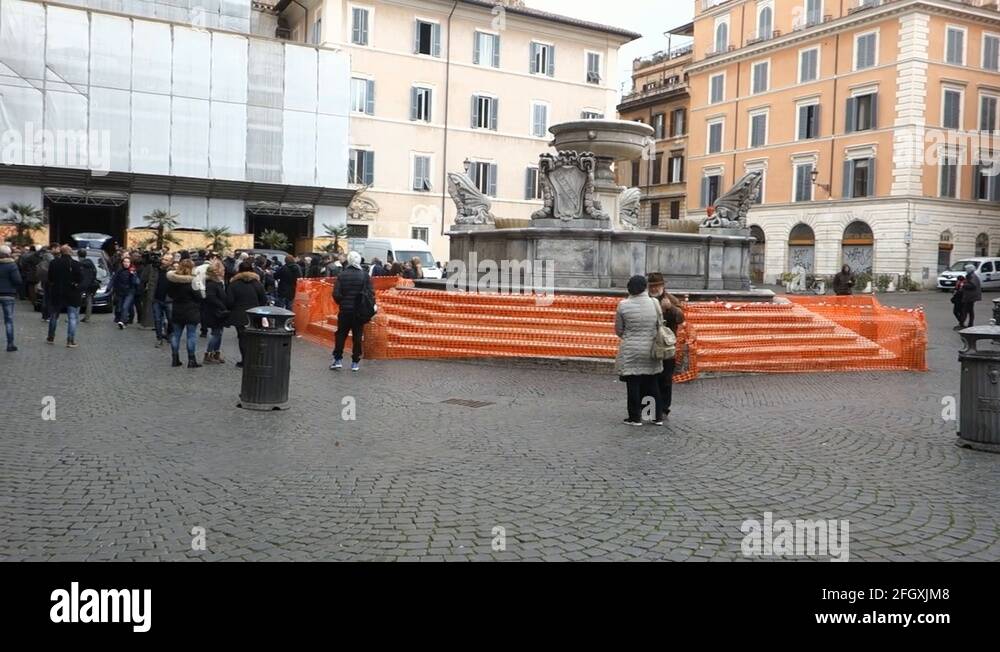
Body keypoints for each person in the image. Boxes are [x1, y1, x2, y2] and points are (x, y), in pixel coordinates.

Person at [615, 275, 663, 427]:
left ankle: (635, 417)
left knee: (633, 384)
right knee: (652, 383)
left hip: (631, 349)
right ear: (645, 287)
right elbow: (659, 324)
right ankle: (656, 417)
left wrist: (629, 336)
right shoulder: (655, 303)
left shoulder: (623, 305)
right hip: (651, 348)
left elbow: (619, 330)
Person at [647, 273, 685, 418]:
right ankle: (649, 408)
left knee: (665, 379)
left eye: (657, 285)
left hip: (666, 347)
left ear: (663, 286)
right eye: (652, 286)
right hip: (649, 345)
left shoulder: (671, 299)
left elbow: (681, 318)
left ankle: (663, 408)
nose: (655, 288)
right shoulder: (645, 300)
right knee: (648, 379)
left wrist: (671, 309)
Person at [330, 251, 373, 372]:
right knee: (357, 336)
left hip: (345, 310)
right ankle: (355, 362)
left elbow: (336, 294)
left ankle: (337, 359)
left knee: (341, 335)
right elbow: (370, 293)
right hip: (359, 311)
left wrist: (342, 303)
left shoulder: (342, 275)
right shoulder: (364, 275)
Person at [226, 261, 268, 368]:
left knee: (242, 338)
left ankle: (245, 360)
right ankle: (255, 358)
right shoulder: (257, 284)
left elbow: (229, 301)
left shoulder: (234, 284)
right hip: (255, 314)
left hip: (239, 315)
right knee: (254, 337)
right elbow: (264, 300)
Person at [166, 259, 203, 368]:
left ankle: (175, 359)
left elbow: (170, 294)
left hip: (177, 309)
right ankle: (191, 360)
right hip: (191, 310)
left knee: (176, 335)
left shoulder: (173, 281)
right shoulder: (193, 281)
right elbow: (199, 297)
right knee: (191, 335)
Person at [46, 245, 83, 348]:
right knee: (72, 317)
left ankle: (51, 337)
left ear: (60, 252)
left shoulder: (53, 263)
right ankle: (70, 340)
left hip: (57, 292)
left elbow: (50, 278)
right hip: (72, 293)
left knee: (54, 315)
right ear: (70, 252)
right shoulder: (76, 264)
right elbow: (80, 279)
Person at [201, 260, 229, 364]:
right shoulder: (212, 284)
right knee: (216, 333)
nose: (224, 271)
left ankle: (215, 353)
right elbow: (211, 298)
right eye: (222, 269)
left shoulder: (218, 283)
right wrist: (222, 306)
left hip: (219, 311)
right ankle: (208, 353)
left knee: (219, 333)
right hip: (214, 312)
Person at [0, 245, 23, 351]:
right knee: (8, 320)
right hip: (8, 294)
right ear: (8, 254)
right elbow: (18, 280)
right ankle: (10, 344)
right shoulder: (11, 265)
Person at [152, 254, 174, 347]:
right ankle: (159, 338)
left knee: (171, 320)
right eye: (163, 259)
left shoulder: (173, 272)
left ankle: (169, 334)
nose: (163, 261)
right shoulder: (156, 270)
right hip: (157, 298)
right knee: (157, 320)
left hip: (169, 299)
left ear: (170, 262)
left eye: (166, 260)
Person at [111, 257, 139, 329]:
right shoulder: (119, 270)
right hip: (120, 292)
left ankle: (122, 321)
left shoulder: (133, 271)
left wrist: (132, 275)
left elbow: (135, 282)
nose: (126, 263)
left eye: (128, 262)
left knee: (125, 306)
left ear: (130, 263)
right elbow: (114, 280)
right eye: (125, 262)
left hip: (130, 292)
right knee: (119, 307)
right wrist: (111, 288)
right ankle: (124, 320)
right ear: (122, 263)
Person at [957, 263, 982, 330]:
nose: (965, 270)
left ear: (969, 269)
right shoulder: (971, 275)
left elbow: (973, 286)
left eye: (966, 269)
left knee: (965, 310)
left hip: (970, 296)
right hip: (970, 296)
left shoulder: (972, 276)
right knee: (970, 310)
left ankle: (962, 324)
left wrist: (964, 285)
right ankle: (969, 324)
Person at [77, 249, 98, 323]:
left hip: (81, 284)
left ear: (78, 255)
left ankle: (75, 316)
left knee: (77, 299)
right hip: (90, 284)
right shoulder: (90, 263)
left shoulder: (79, 264)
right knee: (89, 300)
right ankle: (87, 317)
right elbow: (95, 272)